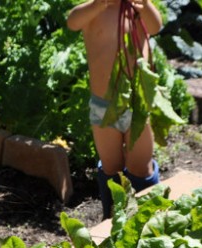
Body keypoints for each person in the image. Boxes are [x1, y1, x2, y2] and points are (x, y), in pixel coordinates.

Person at [67, 0, 164, 218]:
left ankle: (149, 217)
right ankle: (111, 218)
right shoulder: (94, 10)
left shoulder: (136, 9)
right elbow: (72, 22)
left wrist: (145, 5)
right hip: (103, 106)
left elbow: (156, 26)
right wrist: (99, 4)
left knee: (140, 166)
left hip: (136, 105)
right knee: (111, 167)